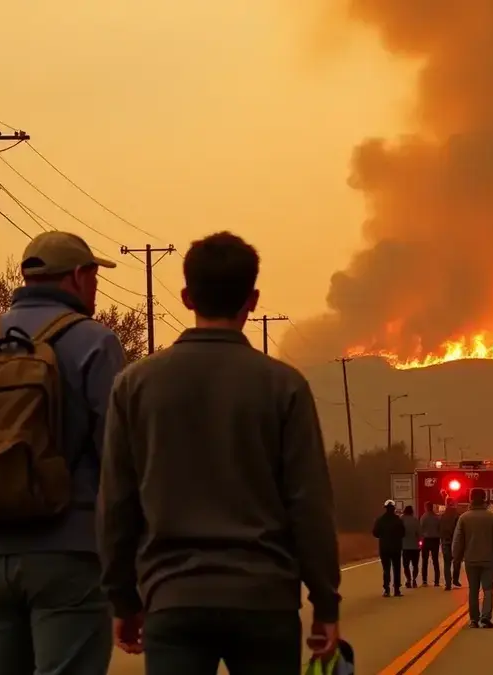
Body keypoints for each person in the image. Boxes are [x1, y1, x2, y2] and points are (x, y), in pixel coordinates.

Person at [96, 232, 341, 673]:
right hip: (265, 603)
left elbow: (117, 502)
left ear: (187, 296)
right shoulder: (283, 386)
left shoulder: (135, 385)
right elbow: (309, 504)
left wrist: (123, 598)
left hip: (173, 600)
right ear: (253, 299)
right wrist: (325, 601)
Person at [0, 232, 126, 675]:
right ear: (80, 277)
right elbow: (116, 463)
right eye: (95, 277)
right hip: (68, 552)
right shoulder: (95, 342)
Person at [452, 488, 493, 628]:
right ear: (484, 498)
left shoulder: (464, 518)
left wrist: (456, 557)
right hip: (488, 559)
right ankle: (486, 617)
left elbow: (458, 541)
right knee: (488, 589)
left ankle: (473, 619)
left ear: (471, 498)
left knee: (473, 589)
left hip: (471, 559)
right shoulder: (492, 517)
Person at [372, 500, 405, 597]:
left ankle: (386, 589)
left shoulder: (380, 520)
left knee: (386, 569)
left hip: (384, 547)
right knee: (396, 568)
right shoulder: (398, 520)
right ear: (394, 508)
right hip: (396, 547)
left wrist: (383, 536)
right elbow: (403, 533)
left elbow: (375, 533)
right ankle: (397, 590)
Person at [437, 496, 463, 591]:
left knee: (447, 563)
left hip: (445, 541)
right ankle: (455, 580)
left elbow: (439, 528)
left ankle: (448, 584)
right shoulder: (457, 515)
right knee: (457, 562)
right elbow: (460, 530)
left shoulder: (442, 516)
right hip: (455, 542)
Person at [418, 501, 441, 587]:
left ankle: (424, 581)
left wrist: (420, 540)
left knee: (425, 561)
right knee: (435, 560)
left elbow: (420, 529)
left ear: (426, 507)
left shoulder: (423, 517)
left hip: (426, 540)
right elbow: (439, 528)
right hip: (435, 539)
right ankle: (436, 581)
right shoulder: (437, 517)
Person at [400, 505, 420, 588]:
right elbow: (420, 533)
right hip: (415, 546)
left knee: (406, 565)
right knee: (415, 565)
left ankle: (408, 580)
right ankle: (414, 580)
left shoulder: (401, 520)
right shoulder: (415, 520)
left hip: (405, 546)